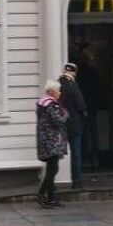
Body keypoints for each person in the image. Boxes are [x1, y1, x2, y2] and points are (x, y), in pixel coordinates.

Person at [36, 79, 68, 208]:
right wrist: (65, 114)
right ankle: (43, 195)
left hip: (44, 140)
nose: (60, 93)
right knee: (52, 169)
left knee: (51, 169)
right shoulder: (52, 105)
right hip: (52, 141)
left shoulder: (41, 103)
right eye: (58, 91)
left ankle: (50, 197)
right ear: (52, 92)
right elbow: (58, 121)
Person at [59, 62, 87, 188]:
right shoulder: (73, 85)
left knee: (55, 153)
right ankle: (77, 181)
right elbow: (80, 104)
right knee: (76, 152)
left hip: (61, 122)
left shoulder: (57, 84)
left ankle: (53, 180)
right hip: (74, 123)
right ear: (74, 72)